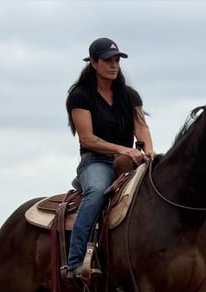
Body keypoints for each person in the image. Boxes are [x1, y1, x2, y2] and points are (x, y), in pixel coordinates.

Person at [64, 37, 156, 277]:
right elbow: (87, 139)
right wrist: (123, 149)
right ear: (93, 63)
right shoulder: (80, 96)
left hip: (127, 162)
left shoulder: (129, 96)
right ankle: (74, 262)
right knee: (95, 193)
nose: (114, 65)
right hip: (95, 161)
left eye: (117, 60)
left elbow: (142, 128)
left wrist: (149, 152)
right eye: (107, 60)